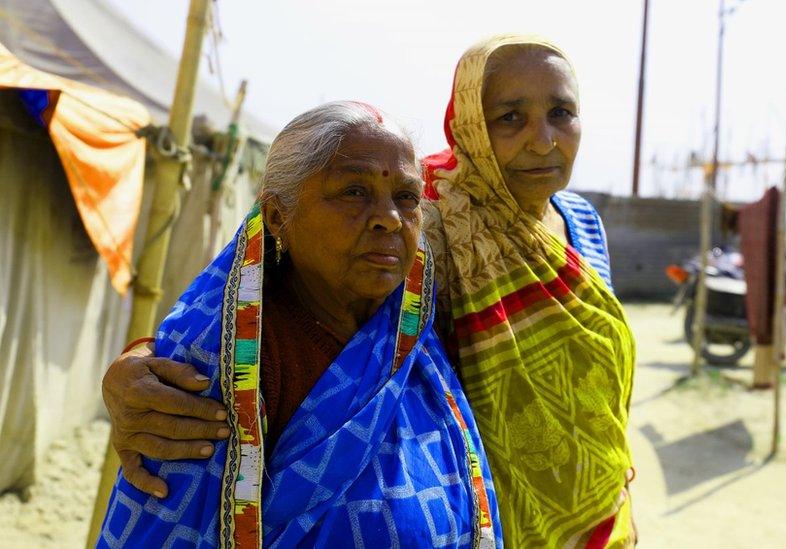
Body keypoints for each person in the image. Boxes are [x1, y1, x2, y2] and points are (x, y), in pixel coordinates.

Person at [101, 36, 636, 547]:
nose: (542, 139)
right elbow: (223, 311)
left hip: (601, 513)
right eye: (511, 117)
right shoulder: (446, 226)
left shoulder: (581, 225)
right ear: (470, 125)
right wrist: (137, 364)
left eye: (562, 113)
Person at [96, 101, 501, 548]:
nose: (389, 217)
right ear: (276, 216)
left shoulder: (418, 333)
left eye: (406, 198)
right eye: (353, 192)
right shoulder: (229, 360)